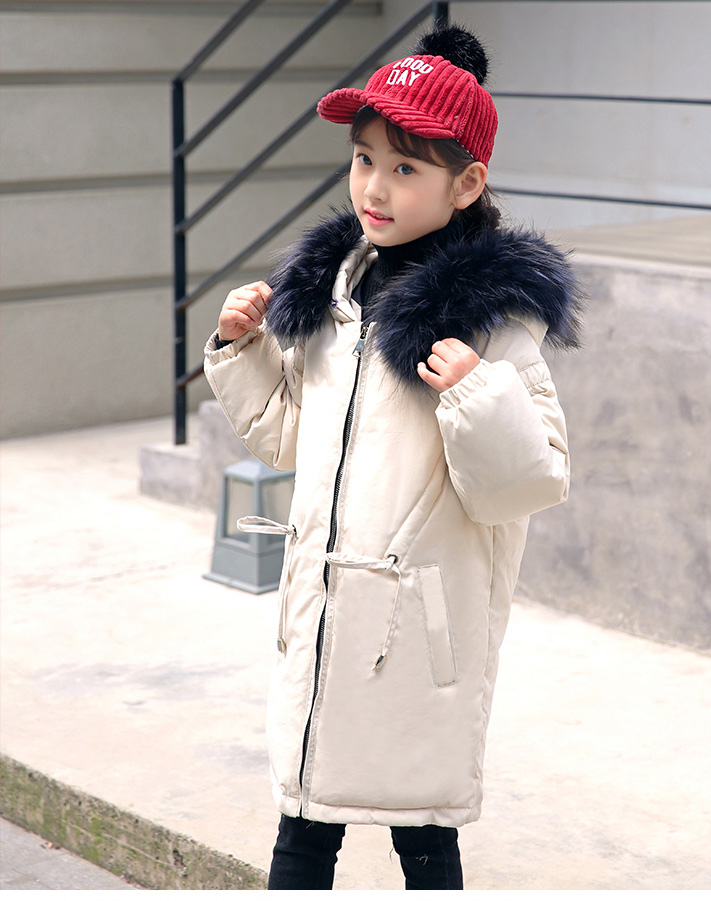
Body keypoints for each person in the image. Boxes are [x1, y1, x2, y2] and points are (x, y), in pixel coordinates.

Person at [204, 24, 581, 890]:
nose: (375, 186)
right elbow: (290, 437)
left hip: (416, 634)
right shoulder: (333, 294)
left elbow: (534, 479)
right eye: (364, 158)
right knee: (303, 830)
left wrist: (477, 391)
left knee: (425, 838)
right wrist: (244, 347)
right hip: (325, 616)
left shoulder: (491, 320)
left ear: (466, 184)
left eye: (406, 168)